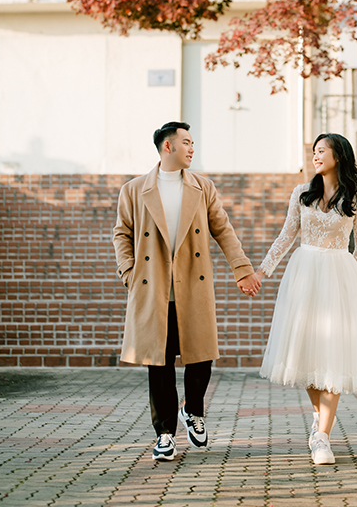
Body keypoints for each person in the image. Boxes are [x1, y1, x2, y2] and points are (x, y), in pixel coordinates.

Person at [113, 121, 262, 462]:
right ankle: (165, 434)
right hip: (153, 289)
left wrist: (242, 270)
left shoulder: (202, 187)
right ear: (168, 147)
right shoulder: (134, 190)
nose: (192, 148)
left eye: (193, 143)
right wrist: (129, 272)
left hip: (192, 284)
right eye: (187, 142)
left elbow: (223, 230)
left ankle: (193, 411)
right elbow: (121, 233)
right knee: (159, 364)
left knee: (201, 356)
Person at [250, 133, 357, 465]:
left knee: (334, 358)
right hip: (304, 278)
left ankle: (322, 437)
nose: (315, 155)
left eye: (322, 150)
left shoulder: (356, 197)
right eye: (313, 151)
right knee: (308, 355)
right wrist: (262, 272)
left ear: (338, 155)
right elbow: (286, 236)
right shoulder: (302, 193)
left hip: (339, 279)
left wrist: (349, 277)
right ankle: (319, 421)